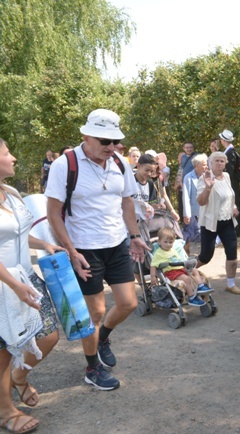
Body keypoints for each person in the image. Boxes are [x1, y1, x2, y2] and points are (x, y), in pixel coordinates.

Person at [45, 109, 149, 391]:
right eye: (104, 141)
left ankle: (103, 337)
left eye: (114, 141)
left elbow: (127, 201)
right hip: (84, 249)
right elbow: (54, 213)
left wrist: (135, 235)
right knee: (95, 312)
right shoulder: (65, 165)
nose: (111, 147)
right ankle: (92, 368)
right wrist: (70, 251)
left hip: (116, 244)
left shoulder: (119, 163)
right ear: (86, 136)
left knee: (128, 303)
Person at [0, 138, 61, 433]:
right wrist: (13, 285)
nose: (13, 158)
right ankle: (5, 411)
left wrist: (46, 244)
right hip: (4, 284)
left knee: (48, 336)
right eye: (7, 153)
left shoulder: (11, 194)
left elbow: (21, 234)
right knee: (4, 351)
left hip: (26, 278)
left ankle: (20, 378)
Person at [196, 151, 240, 294]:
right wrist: (208, 187)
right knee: (205, 257)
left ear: (225, 163)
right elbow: (201, 202)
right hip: (210, 222)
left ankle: (230, 284)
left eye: (222, 161)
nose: (220, 163)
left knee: (232, 254)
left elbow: (229, 197)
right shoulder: (205, 178)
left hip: (227, 221)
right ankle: (187, 270)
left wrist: (234, 207)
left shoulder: (227, 176)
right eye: (217, 161)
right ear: (211, 163)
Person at [149, 227, 211, 307]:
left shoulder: (173, 250)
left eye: (170, 242)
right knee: (187, 279)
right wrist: (153, 277)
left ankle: (201, 286)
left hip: (180, 268)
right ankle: (192, 297)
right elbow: (153, 265)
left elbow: (179, 259)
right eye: (165, 242)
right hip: (171, 272)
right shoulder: (158, 253)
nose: (168, 244)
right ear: (159, 242)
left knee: (194, 270)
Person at [218, 129, 240, 236]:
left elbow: (229, 171)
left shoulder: (230, 153)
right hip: (231, 182)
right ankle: (236, 227)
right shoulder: (230, 152)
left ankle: (237, 228)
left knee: (233, 202)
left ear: (223, 140)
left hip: (230, 182)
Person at [182, 154, 208, 255]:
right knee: (190, 234)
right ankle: (186, 253)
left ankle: (203, 253)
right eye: (204, 165)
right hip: (194, 212)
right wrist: (187, 214)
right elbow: (186, 197)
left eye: (206, 165)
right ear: (196, 166)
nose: (206, 167)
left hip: (206, 210)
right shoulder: (188, 177)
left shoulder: (208, 176)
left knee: (204, 234)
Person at [175, 141, 198, 220]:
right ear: (184, 148)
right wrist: (179, 181)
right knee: (183, 201)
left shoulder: (196, 156)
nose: (189, 149)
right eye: (187, 147)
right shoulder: (182, 157)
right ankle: (183, 219)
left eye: (191, 147)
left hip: (193, 182)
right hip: (183, 183)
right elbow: (181, 169)